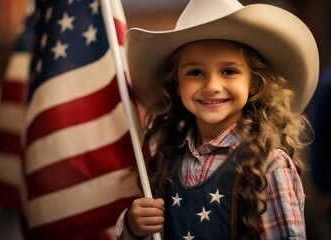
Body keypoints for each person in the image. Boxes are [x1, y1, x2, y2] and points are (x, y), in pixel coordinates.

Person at [116, 0, 319, 239]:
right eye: (195, 72)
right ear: (177, 84)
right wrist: (132, 227)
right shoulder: (164, 154)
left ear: (254, 82)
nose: (212, 86)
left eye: (229, 71)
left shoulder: (269, 164)